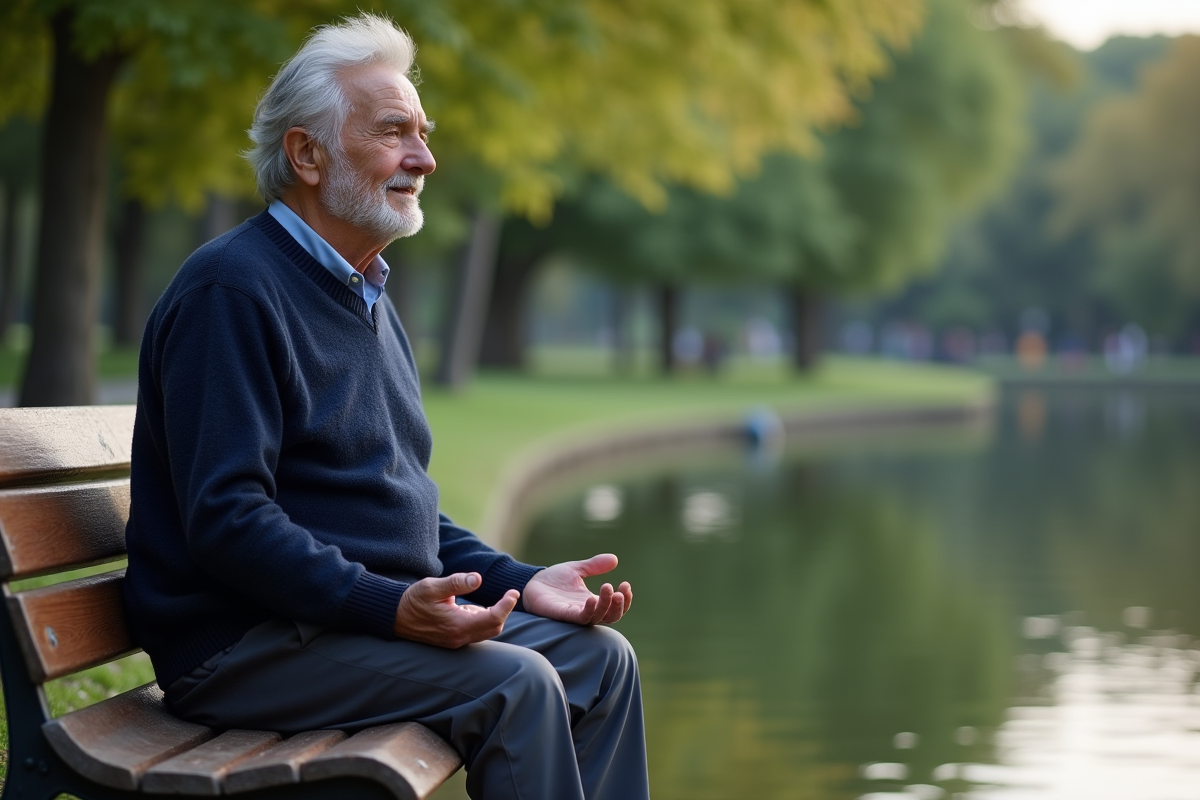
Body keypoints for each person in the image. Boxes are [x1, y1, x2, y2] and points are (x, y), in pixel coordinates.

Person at [122, 14, 649, 800]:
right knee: (517, 684)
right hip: (242, 644)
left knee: (602, 660)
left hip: (332, 625)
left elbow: (397, 507)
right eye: (394, 132)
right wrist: (389, 607)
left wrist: (518, 580)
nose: (425, 158)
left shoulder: (366, 297)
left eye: (424, 133)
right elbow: (228, 519)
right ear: (306, 153)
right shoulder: (232, 292)